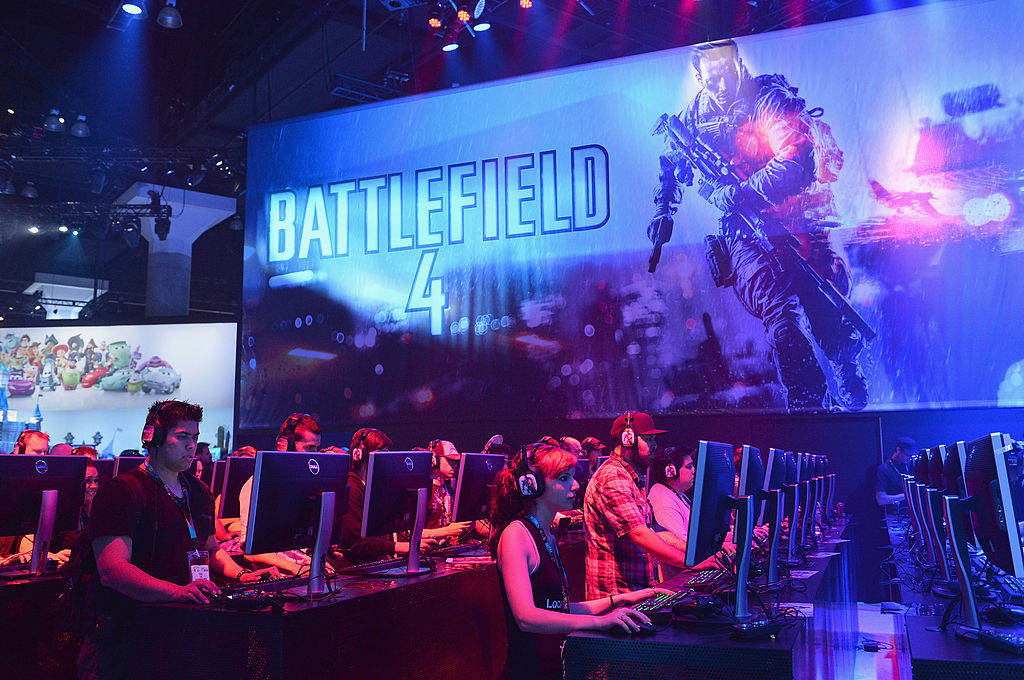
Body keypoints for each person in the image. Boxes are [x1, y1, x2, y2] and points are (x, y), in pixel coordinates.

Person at [648, 39, 866, 412]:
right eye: (712, 76)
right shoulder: (693, 118)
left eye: (727, 72)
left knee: (823, 300)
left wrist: (739, 194)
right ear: (699, 77)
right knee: (781, 318)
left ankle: (845, 365)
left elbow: (797, 162)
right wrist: (664, 209)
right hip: (744, 231)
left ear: (740, 65)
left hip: (794, 219)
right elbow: (670, 166)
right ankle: (810, 402)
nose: (721, 83)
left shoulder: (767, 98)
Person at [71, 400, 279, 680]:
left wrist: (243, 576)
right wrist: (176, 591)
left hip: (182, 634)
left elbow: (211, 550)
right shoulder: (122, 491)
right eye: (182, 437)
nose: (191, 446)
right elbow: (112, 570)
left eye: (194, 438)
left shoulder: (199, 491)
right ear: (153, 437)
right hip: (125, 641)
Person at [490, 443, 667, 680]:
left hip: (554, 668)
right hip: (529, 671)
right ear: (532, 485)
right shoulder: (516, 535)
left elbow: (556, 609)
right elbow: (526, 617)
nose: (575, 485)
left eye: (573, 477)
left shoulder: (546, 535)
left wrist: (618, 600)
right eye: (563, 478)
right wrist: (600, 623)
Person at [582, 411, 691, 598]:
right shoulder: (613, 477)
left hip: (635, 595)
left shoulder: (631, 478)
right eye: (648, 439)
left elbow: (654, 532)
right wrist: (692, 563)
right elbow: (640, 534)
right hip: (617, 600)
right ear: (627, 439)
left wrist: (707, 554)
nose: (655, 445)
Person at [237, 413, 322, 574]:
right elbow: (251, 553)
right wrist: (298, 569)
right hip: (283, 579)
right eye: (310, 448)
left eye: (317, 448)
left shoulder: (305, 486)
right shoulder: (256, 485)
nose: (315, 455)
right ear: (286, 445)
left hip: (306, 569)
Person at [340, 427, 436, 564]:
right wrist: (402, 547)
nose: (386, 460)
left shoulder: (378, 488)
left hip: (378, 564)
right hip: (357, 569)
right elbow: (356, 543)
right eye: (381, 454)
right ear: (360, 454)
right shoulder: (352, 488)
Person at [876, 436, 915, 507]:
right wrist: (908, 495)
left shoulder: (911, 465)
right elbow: (881, 499)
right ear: (898, 450)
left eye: (911, 455)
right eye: (907, 455)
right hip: (895, 514)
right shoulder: (884, 469)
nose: (910, 458)